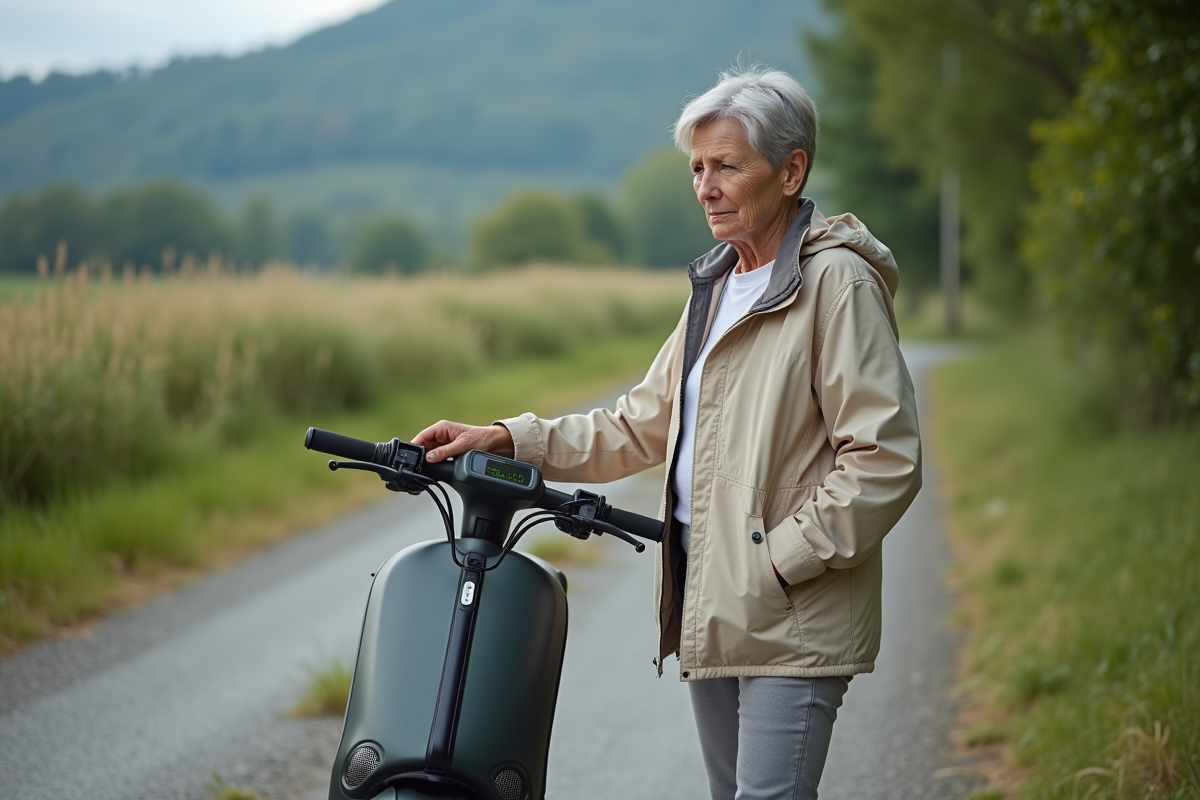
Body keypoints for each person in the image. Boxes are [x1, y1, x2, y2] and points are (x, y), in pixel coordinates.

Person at [413, 66, 922, 800]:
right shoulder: (718, 287)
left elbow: (884, 459)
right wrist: (508, 439)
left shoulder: (837, 285)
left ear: (791, 171)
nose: (705, 187)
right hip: (713, 599)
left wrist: (779, 561)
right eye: (696, 168)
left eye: (726, 167)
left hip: (791, 608)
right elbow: (637, 425)